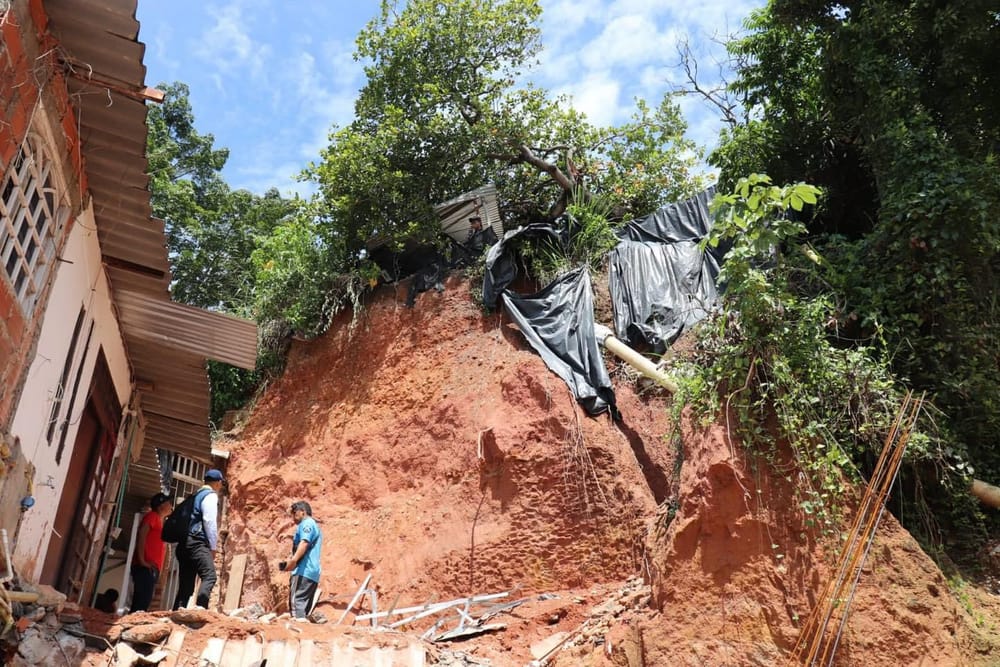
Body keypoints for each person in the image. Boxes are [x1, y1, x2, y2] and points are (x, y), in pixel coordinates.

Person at [172, 469, 224, 610]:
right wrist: (213, 547)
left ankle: (177, 614)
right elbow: (209, 521)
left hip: (184, 544)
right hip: (197, 542)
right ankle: (201, 610)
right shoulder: (210, 496)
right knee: (209, 576)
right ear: (218, 483)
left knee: (186, 585)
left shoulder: (195, 495)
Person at [279, 500, 322, 619]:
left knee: (296, 605)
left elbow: (304, 543)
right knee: (303, 609)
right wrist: (290, 536)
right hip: (313, 573)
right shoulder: (313, 525)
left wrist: (292, 562)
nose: (293, 516)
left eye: (294, 513)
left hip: (303, 571)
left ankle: (296, 635)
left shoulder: (306, 523)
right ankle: (305, 634)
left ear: (302, 512)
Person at [130, 492, 173, 612]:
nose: (171, 505)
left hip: (150, 568)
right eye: (168, 503)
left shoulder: (159, 521)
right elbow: (142, 535)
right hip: (145, 567)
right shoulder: (152, 516)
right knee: (141, 602)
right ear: (161, 506)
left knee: (144, 601)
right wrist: (142, 560)